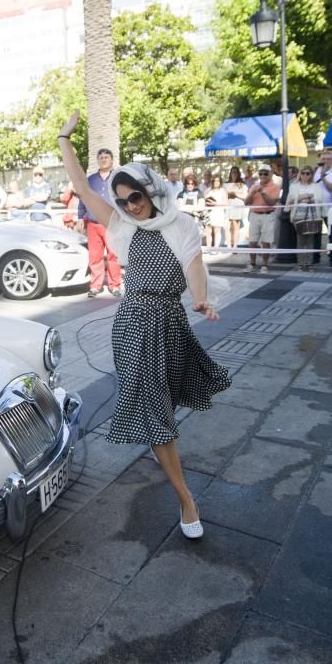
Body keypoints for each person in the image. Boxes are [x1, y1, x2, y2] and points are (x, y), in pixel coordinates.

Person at [58, 111, 229, 539]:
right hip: (133, 322)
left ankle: (162, 444)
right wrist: (64, 138)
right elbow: (81, 187)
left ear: (150, 190)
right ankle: (186, 498)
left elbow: (194, 265)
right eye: (123, 200)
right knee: (153, 410)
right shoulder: (122, 226)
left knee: (165, 400)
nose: (131, 205)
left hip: (170, 321)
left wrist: (201, 298)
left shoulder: (181, 224)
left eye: (135, 196)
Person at [78, 148, 122, 297]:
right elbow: (83, 198)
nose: (103, 159)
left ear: (111, 160)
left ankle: (115, 285)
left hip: (112, 224)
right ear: (98, 160)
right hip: (93, 224)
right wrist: (79, 217)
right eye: (101, 157)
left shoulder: (118, 179)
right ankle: (95, 285)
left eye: (106, 157)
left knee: (113, 255)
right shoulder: (90, 180)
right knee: (95, 256)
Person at [244, 163, 280, 273]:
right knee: (252, 241)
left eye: (265, 173)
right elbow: (246, 202)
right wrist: (251, 194)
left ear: (270, 174)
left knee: (266, 242)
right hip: (255, 215)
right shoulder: (254, 186)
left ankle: (265, 265)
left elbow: (271, 203)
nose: (262, 176)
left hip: (268, 215)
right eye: (260, 173)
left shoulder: (275, 187)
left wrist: (262, 193)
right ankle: (252, 264)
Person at [286, 166, 321, 271]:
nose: (305, 175)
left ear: (311, 175)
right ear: (300, 174)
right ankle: (301, 263)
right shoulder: (294, 186)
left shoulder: (316, 186)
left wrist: (304, 198)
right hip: (298, 216)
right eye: (303, 173)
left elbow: (319, 199)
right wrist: (304, 197)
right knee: (300, 241)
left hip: (312, 216)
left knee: (310, 242)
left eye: (308, 173)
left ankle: (310, 263)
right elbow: (290, 200)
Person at [225, 166, 248, 249]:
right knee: (227, 226)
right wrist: (228, 195)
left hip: (237, 207)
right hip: (227, 206)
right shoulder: (226, 184)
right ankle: (228, 245)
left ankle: (235, 246)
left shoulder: (242, 184)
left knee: (235, 227)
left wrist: (235, 194)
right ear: (230, 173)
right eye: (232, 172)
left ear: (238, 173)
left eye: (235, 172)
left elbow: (245, 196)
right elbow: (223, 195)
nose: (234, 173)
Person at [204, 176, 228, 248]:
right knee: (208, 231)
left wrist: (215, 204)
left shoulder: (222, 190)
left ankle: (216, 248)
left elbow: (226, 203)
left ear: (220, 182)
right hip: (208, 212)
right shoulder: (208, 190)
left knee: (217, 231)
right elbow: (204, 200)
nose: (216, 182)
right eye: (214, 180)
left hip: (218, 212)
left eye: (218, 181)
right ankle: (209, 247)